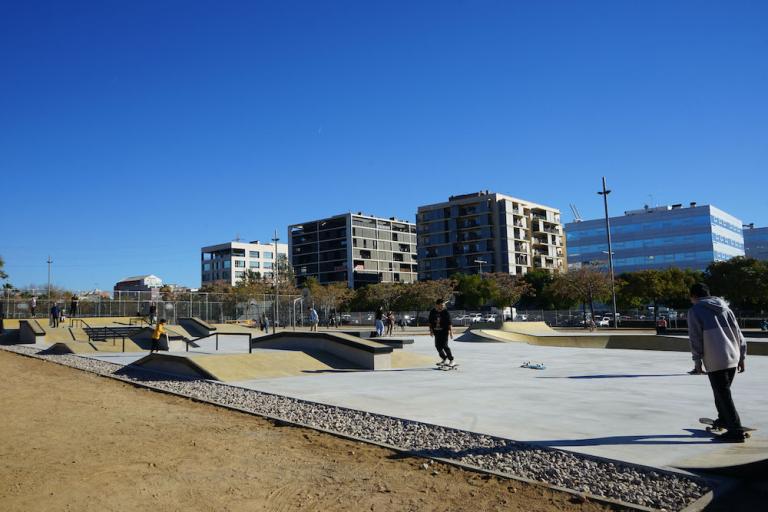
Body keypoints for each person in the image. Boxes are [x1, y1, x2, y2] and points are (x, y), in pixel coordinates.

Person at [688, 283, 747, 442]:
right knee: (721, 392)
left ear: (694, 296)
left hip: (715, 359)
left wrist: (697, 361)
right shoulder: (726, 308)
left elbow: (695, 338)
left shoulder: (695, 311)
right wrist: (742, 356)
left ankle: (736, 431)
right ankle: (723, 419)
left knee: (723, 394)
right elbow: (739, 334)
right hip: (733, 357)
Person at [429, 299, 455, 367]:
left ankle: (451, 360)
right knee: (438, 346)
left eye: (443, 305)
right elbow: (430, 322)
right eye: (441, 305)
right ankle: (444, 359)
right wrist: (431, 331)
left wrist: (451, 332)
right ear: (437, 305)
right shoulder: (433, 312)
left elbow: (449, 323)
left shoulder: (445, 312)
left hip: (444, 331)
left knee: (445, 346)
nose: (443, 306)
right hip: (436, 332)